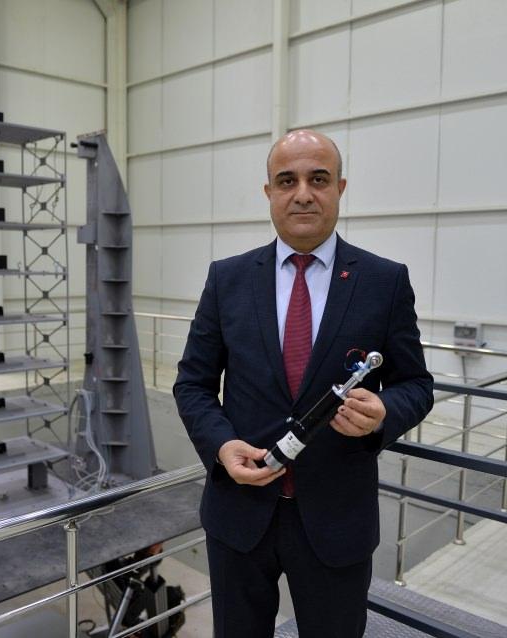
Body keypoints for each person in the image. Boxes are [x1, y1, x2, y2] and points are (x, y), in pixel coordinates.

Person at [173, 130, 433, 637]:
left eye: (318, 179)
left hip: (337, 520)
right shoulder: (227, 279)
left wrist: (384, 413)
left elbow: (416, 385)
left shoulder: (384, 282)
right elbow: (193, 385)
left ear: (340, 188)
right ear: (269, 192)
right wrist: (222, 445)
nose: (303, 194)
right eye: (287, 181)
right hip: (240, 517)